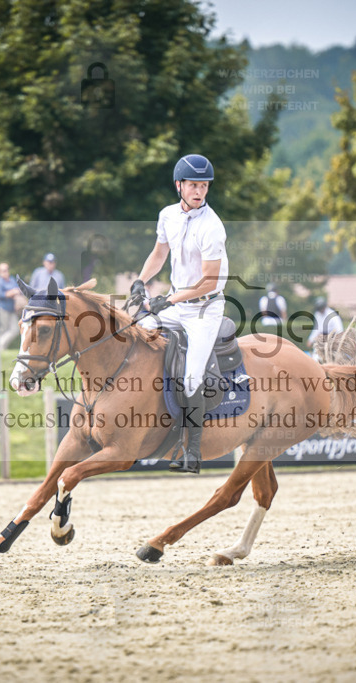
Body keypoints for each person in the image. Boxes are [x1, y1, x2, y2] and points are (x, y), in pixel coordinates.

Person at [132, 153, 227, 474]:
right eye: (193, 185)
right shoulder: (167, 215)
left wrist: (169, 300)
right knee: (136, 331)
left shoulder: (212, 227)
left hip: (204, 309)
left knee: (191, 378)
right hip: (176, 304)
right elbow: (159, 253)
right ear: (179, 185)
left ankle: (192, 452)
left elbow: (209, 281)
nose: (199, 191)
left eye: (204, 186)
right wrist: (140, 281)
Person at [0, 262, 21, 350]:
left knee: (15, 330)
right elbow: (0, 295)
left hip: (13, 308)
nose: (5, 272)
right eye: (2, 271)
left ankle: (0, 344)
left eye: (6, 270)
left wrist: (15, 294)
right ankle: (1, 349)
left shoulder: (12, 279)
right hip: (3, 308)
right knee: (3, 329)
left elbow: (18, 290)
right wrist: (11, 292)